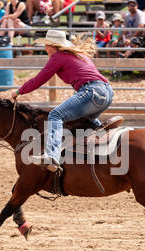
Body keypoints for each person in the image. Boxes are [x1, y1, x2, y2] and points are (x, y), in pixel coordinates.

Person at [11, 30, 114, 172]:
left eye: (46, 45)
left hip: (92, 92)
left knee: (56, 115)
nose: (45, 48)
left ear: (51, 46)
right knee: (84, 121)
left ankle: (52, 156)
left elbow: (39, 80)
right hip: (106, 92)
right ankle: (101, 132)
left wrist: (18, 91)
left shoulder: (57, 57)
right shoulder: (78, 55)